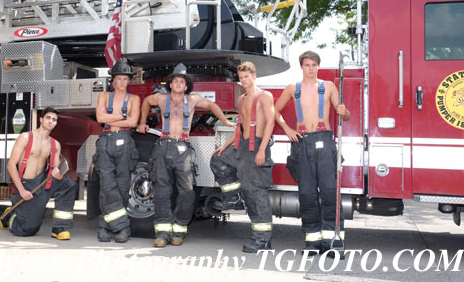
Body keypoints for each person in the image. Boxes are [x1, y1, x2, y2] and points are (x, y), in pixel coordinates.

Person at [138, 63, 235, 247]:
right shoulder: (160, 98)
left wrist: (225, 121)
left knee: (187, 192)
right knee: (161, 192)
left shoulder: (192, 100)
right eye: (175, 81)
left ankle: (179, 228)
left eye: (182, 81)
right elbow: (145, 102)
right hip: (163, 146)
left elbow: (212, 105)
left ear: (186, 85)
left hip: (183, 148)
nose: (178, 84)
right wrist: (142, 122)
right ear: (170, 83)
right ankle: (162, 233)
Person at [274, 50, 350, 255]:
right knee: (307, 195)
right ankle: (312, 243)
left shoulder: (329, 87)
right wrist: (288, 130)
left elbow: (346, 114)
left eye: (314, 65)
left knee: (329, 193)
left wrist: (345, 111)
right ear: (302, 67)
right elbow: (275, 111)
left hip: (324, 141)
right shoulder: (292, 88)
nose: (311, 68)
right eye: (307, 65)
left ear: (318, 66)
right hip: (302, 143)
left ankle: (333, 243)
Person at [211, 61, 275, 253]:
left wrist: (263, 149)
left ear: (254, 76)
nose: (244, 80)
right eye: (241, 77)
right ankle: (233, 198)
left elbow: (271, 123)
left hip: (257, 147)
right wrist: (225, 145)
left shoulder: (264, 96)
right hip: (241, 147)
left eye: (247, 76)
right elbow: (241, 126)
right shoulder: (242, 99)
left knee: (256, 194)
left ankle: (262, 240)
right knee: (218, 160)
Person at [0, 107, 77, 240]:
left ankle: (59, 228)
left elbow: (55, 168)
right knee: (27, 230)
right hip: (26, 184)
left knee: (69, 184)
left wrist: (58, 174)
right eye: (48, 118)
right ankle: (10, 216)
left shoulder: (55, 144)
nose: (51, 121)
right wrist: (22, 190)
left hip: (43, 182)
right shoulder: (25, 137)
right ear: (41, 119)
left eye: (54, 120)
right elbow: (11, 165)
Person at [93, 59, 140, 243]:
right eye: (118, 79)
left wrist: (110, 118)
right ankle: (117, 227)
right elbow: (99, 117)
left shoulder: (134, 99)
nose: (121, 82)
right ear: (113, 80)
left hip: (125, 141)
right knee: (106, 185)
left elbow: (132, 123)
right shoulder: (104, 96)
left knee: (122, 185)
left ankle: (110, 226)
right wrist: (122, 115)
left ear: (129, 81)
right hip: (105, 140)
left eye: (125, 79)